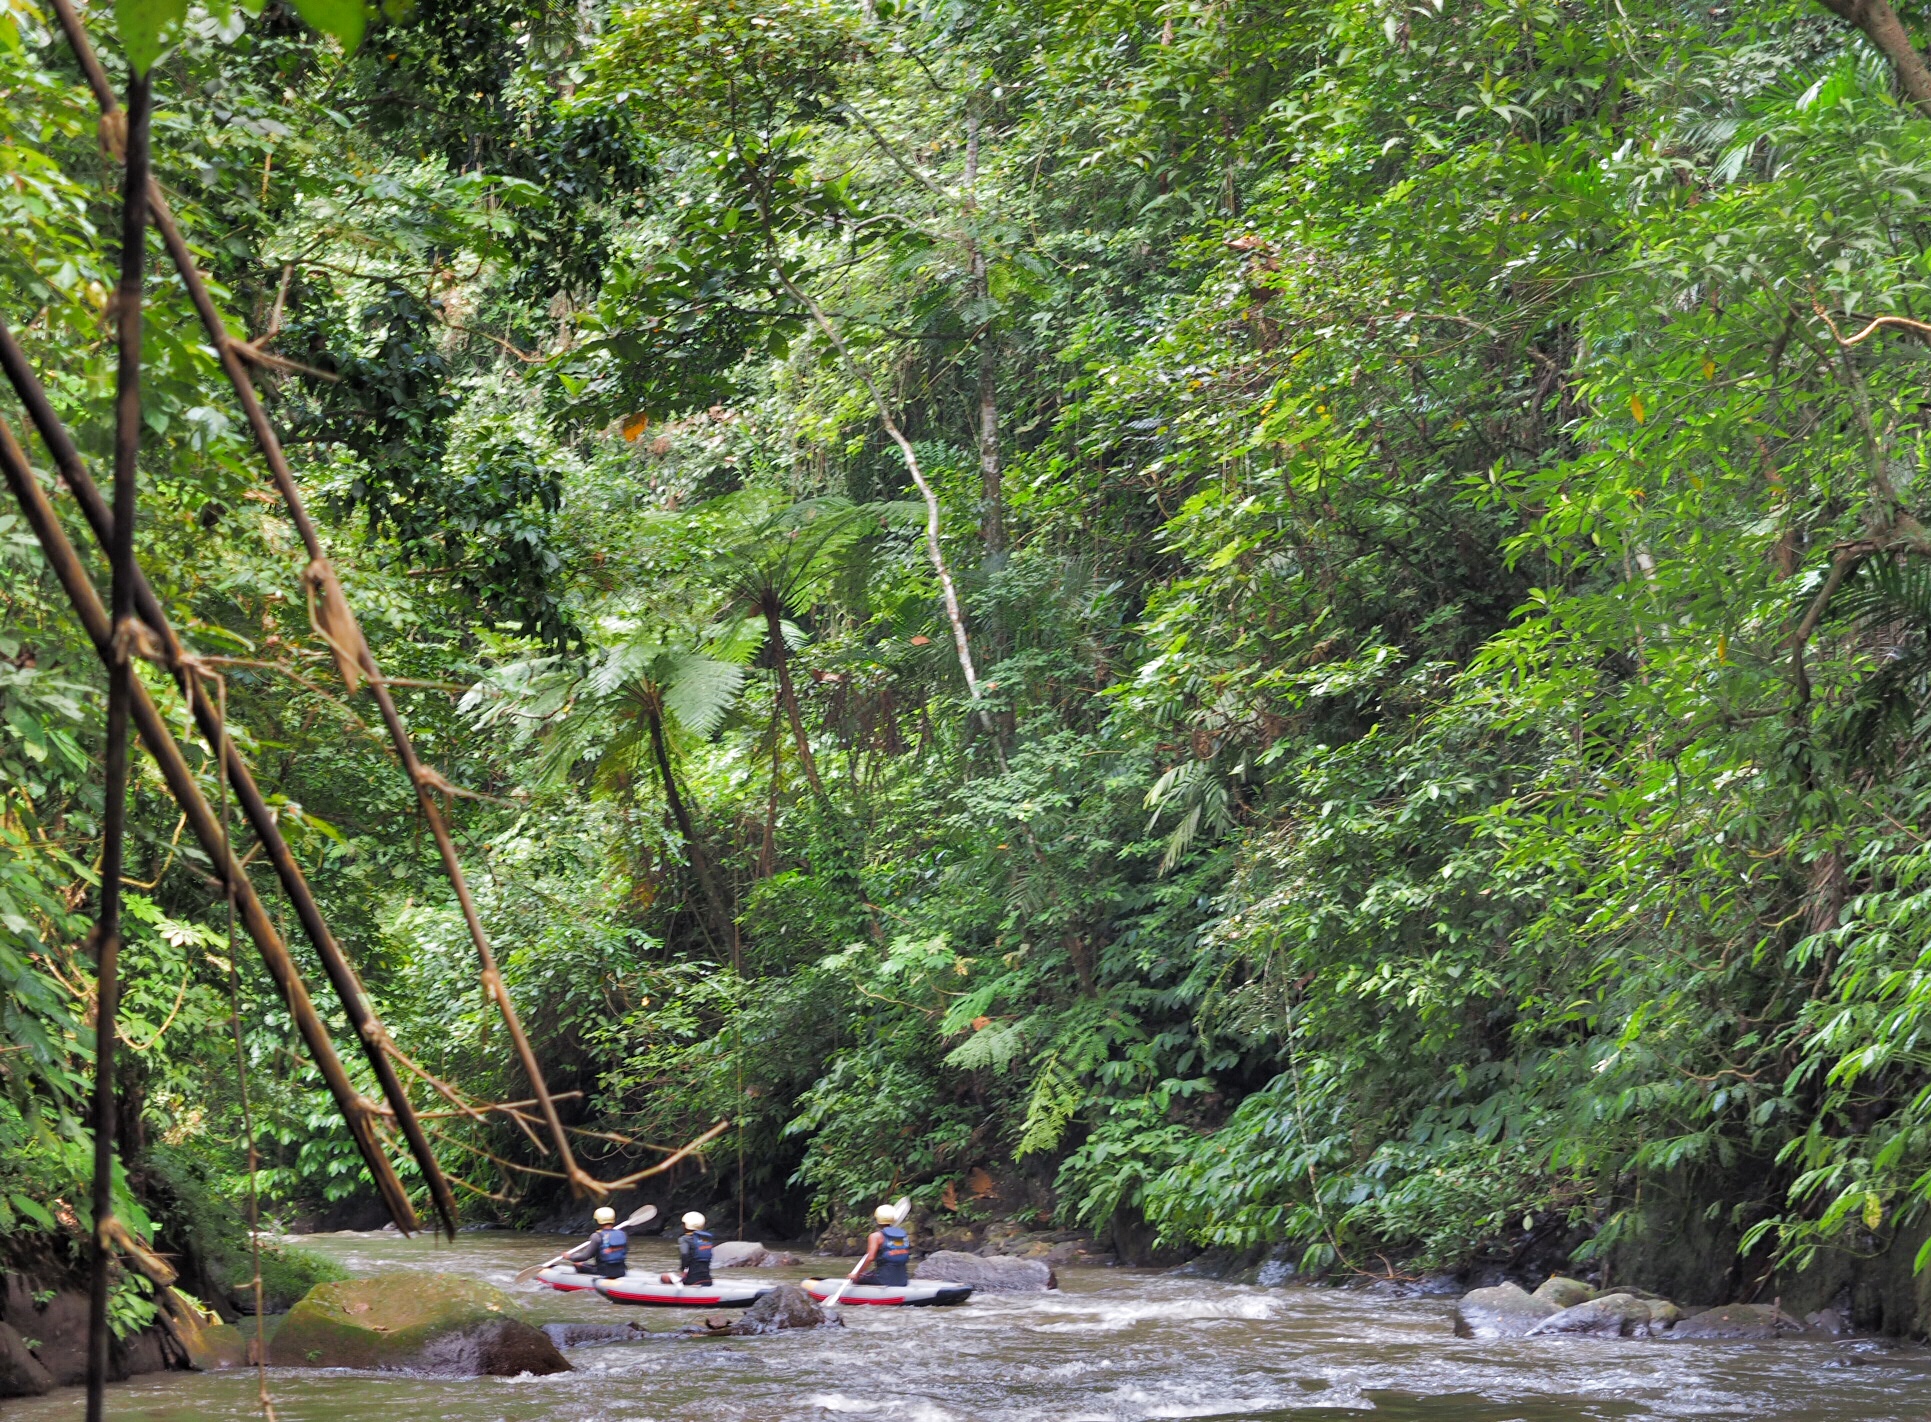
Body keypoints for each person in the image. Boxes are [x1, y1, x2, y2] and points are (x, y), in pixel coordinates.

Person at [847, 1204, 910, 1289]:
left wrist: (857, 1275)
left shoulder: (876, 1236)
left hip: (883, 1280)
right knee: (869, 1273)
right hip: (903, 1280)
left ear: (877, 1219)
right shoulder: (903, 1235)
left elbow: (870, 1258)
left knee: (859, 1278)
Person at [565, 1205, 629, 1279]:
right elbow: (624, 1251)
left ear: (598, 1220)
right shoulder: (623, 1234)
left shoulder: (596, 1236)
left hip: (604, 1271)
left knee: (577, 1264)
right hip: (621, 1271)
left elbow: (585, 1256)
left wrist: (570, 1257)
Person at [661, 1211, 714, 1286]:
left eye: (683, 1224)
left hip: (692, 1280)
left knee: (663, 1277)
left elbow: (684, 1255)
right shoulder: (706, 1239)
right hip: (707, 1280)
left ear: (687, 1225)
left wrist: (683, 1270)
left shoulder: (684, 1239)